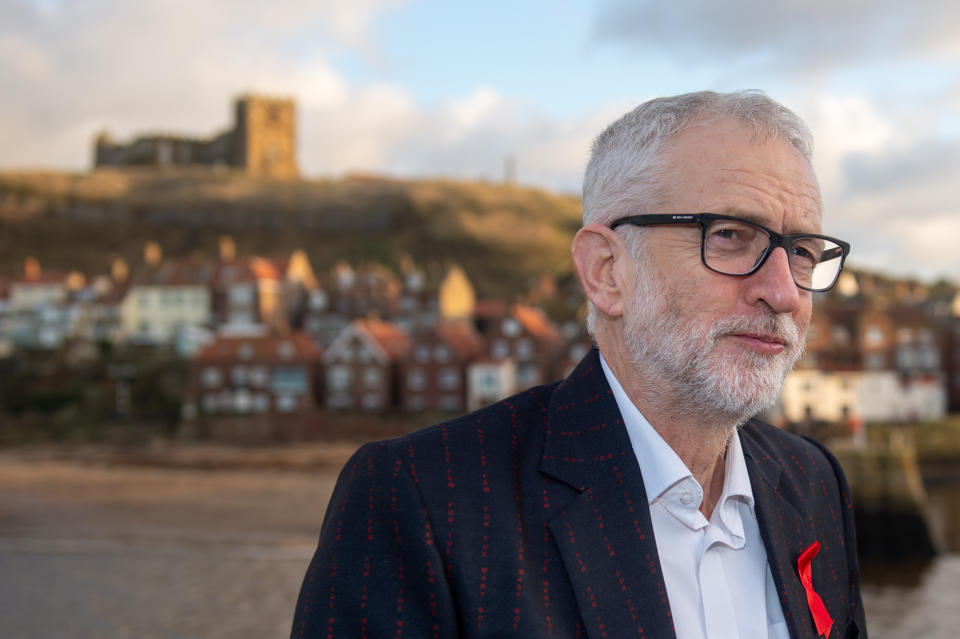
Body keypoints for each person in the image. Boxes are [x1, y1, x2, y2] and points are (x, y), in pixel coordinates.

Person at [291, 90, 867, 639]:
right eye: (730, 236)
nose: (784, 292)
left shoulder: (812, 480)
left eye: (802, 254)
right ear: (606, 271)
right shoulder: (422, 500)